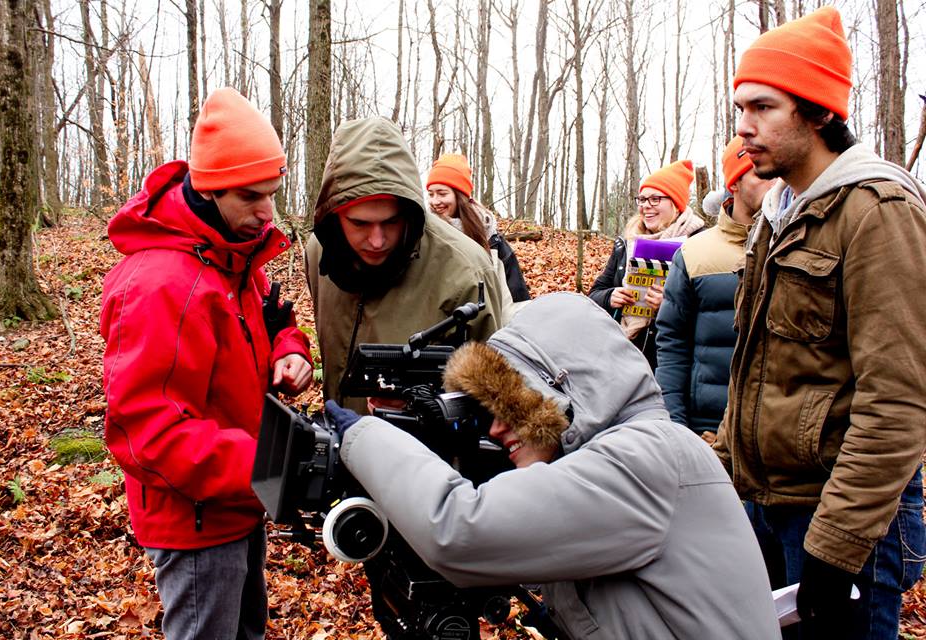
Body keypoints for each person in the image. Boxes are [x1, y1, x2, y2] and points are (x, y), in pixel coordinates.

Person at [325, 292, 782, 640]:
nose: (497, 429)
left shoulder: (647, 458)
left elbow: (461, 528)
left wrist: (361, 435)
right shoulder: (618, 455)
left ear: (564, 394)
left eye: (514, 406)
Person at [718, 7, 926, 639]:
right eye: (740, 110)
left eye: (762, 108)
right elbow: (756, 374)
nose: (744, 128)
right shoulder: (775, 215)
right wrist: (715, 475)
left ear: (814, 110)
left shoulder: (877, 211)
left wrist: (836, 546)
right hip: (767, 507)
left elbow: (896, 401)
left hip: (841, 521)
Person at [100, 87, 313, 640]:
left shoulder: (233, 257)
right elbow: (146, 431)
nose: (267, 213)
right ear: (209, 188)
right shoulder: (160, 284)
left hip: (241, 499)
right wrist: (267, 464)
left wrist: (290, 352)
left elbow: (273, 319)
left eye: (272, 193)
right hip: (195, 520)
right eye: (250, 196)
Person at [305, 118, 508, 415]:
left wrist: (423, 406)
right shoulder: (319, 250)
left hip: (424, 457)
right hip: (338, 444)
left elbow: (496, 400)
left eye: (391, 222)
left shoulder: (466, 269)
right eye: (360, 223)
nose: (376, 241)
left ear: (409, 211)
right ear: (335, 215)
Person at [655, 136, 773, 443]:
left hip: (775, 435)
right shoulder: (694, 255)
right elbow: (672, 346)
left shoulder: (797, 246)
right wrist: (676, 429)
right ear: (734, 183)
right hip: (705, 427)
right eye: (762, 175)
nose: (775, 184)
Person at [588, 160, 706, 369]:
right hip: (624, 354)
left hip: (675, 359)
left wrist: (669, 305)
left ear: (676, 204)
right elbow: (595, 293)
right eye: (642, 199)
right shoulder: (627, 243)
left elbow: (710, 312)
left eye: (655, 199)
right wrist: (610, 296)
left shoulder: (699, 243)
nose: (645, 206)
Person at [426, 153, 531, 305]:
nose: (435, 201)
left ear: (460, 196)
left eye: (442, 194)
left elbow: (517, 299)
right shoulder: (425, 235)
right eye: (431, 194)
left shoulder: (491, 240)